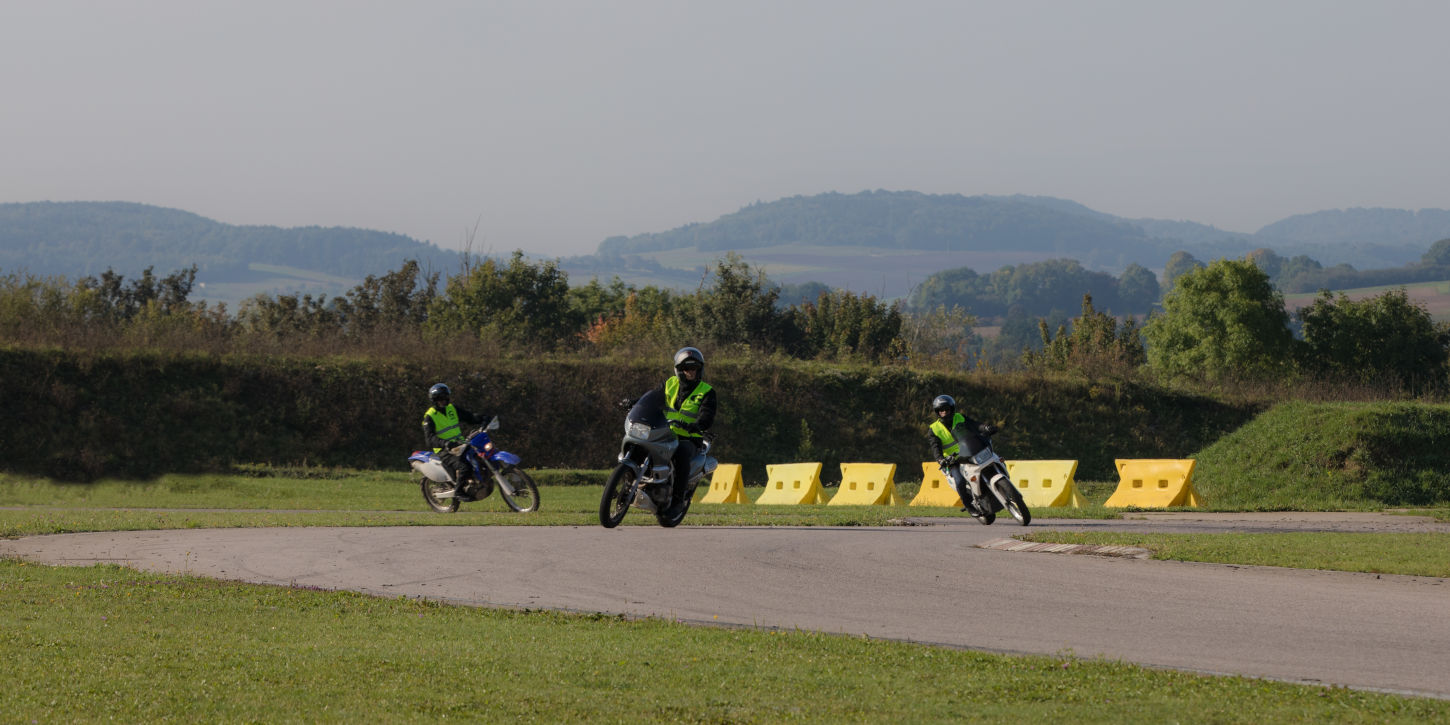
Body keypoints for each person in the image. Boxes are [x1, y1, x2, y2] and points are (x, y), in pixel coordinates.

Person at [652, 347, 716, 508]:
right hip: (664, 433)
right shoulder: (669, 384)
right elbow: (652, 398)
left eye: (695, 368)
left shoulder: (707, 391)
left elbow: (707, 415)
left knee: (680, 453)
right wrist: (634, 403)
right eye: (687, 368)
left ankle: (677, 500)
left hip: (689, 438)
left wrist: (695, 425)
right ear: (679, 370)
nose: (691, 372)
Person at [926, 394, 997, 514]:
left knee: (991, 461)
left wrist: (986, 428)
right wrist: (940, 459)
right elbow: (935, 448)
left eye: (946, 409)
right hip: (953, 460)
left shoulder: (960, 417)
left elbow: (975, 425)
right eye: (941, 410)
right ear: (937, 412)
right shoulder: (934, 429)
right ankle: (968, 505)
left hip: (970, 451)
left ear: (952, 409)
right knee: (959, 480)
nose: (944, 412)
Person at [421, 383, 491, 498]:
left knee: (480, 457)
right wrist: (445, 443)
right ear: (434, 400)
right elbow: (430, 439)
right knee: (465, 467)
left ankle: (478, 481)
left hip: (460, 445)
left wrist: (483, 418)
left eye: (445, 397)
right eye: (440, 398)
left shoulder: (452, 409)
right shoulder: (430, 417)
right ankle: (458, 491)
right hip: (444, 450)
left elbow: (470, 417)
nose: (443, 401)